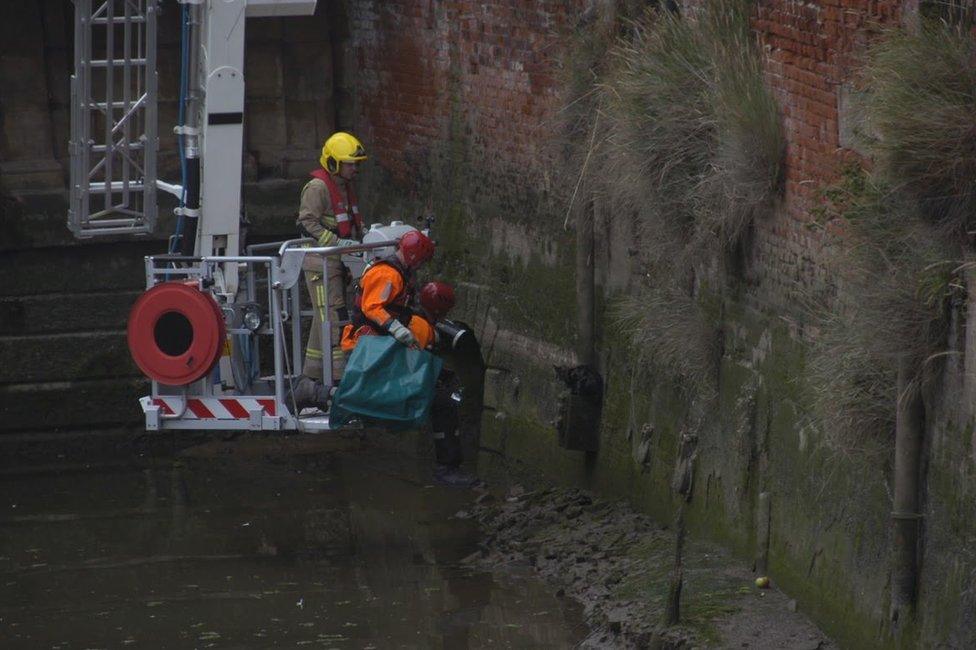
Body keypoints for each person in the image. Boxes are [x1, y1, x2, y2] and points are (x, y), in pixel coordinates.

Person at [341, 233, 479, 487]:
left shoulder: (398, 277)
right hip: (371, 350)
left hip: (376, 349)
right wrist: (397, 329)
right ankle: (447, 469)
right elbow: (373, 308)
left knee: (441, 398)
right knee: (443, 404)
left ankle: (447, 466)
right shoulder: (390, 276)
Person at [291, 132, 367, 411]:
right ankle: (337, 381)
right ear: (334, 163)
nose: (355, 169)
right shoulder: (317, 188)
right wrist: (337, 244)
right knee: (334, 318)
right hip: (321, 265)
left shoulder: (344, 187)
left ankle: (310, 376)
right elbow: (306, 223)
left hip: (338, 262)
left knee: (323, 318)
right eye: (350, 164)